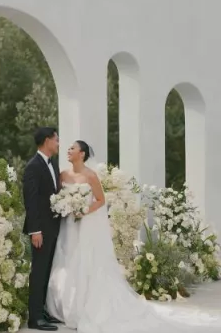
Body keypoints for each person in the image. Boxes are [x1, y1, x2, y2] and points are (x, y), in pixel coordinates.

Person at [46, 140, 221, 333]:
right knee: (68, 260)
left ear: (82, 154)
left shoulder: (90, 176)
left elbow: (101, 200)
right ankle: (65, 306)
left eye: (72, 148)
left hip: (84, 224)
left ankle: (84, 307)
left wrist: (83, 209)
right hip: (68, 225)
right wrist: (65, 206)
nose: (68, 151)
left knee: (86, 261)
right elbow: (59, 197)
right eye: (69, 148)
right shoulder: (63, 175)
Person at [22, 127, 62, 331]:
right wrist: (35, 230)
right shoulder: (33, 166)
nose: (58, 143)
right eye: (56, 140)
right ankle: (35, 318)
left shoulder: (52, 164)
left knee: (47, 270)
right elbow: (31, 200)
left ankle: (43, 311)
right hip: (40, 230)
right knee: (38, 272)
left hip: (53, 227)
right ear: (47, 141)